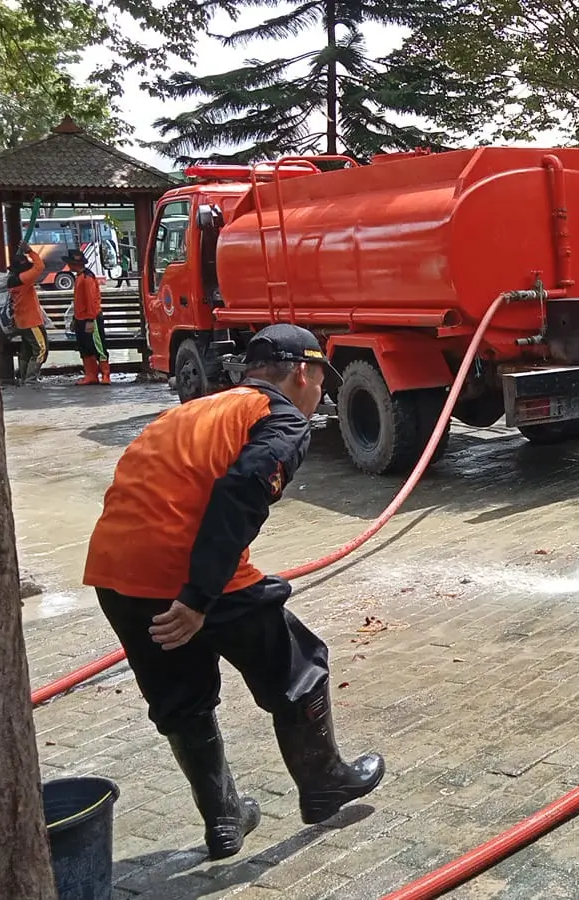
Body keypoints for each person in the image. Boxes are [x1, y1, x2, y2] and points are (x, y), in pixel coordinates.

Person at [82, 325, 382, 859]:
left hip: (115, 571)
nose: (321, 395)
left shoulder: (191, 411)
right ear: (301, 373)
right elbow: (240, 493)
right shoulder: (280, 416)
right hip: (187, 568)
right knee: (298, 665)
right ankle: (325, 782)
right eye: (321, 381)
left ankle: (224, 820)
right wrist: (198, 598)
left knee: (182, 698)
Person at [65, 249, 108, 385]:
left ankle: (105, 374)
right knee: (85, 348)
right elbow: (80, 301)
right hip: (81, 318)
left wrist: (90, 319)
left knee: (98, 347)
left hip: (91, 318)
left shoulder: (86, 278)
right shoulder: (80, 277)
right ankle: (91, 375)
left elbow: (91, 301)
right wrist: (75, 319)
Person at [8, 245, 47, 383]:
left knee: (27, 349)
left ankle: (24, 376)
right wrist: (30, 251)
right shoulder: (24, 279)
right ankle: (30, 379)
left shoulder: (12, 280)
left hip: (21, 321)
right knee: (41, 349)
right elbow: (39, 266)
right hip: (32, 321)